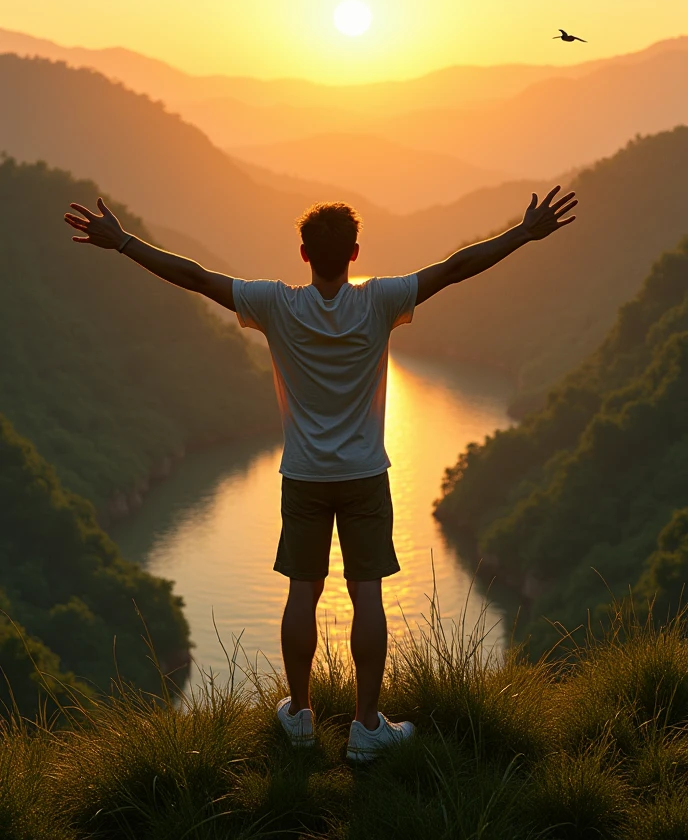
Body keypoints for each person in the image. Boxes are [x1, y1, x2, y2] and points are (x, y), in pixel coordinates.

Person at [64, 186, 577, 760]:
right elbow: (456, 268)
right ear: (355, 253)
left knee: (301, 595)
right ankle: (365, 727)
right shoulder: (381, 300)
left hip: (304, 476)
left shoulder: (276, 305)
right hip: (365, 475)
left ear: (304, 254)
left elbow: (198, 278)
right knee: (368, 599)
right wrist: (523, 234)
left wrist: (125, 243)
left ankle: (301, 717)